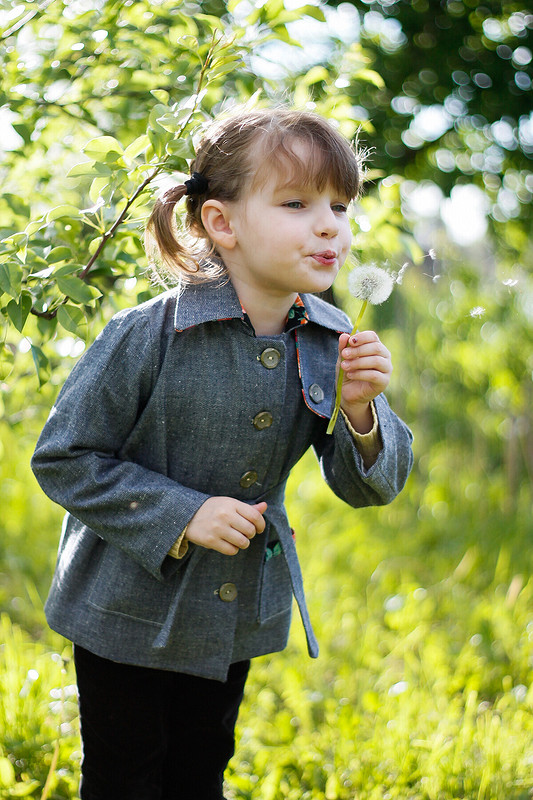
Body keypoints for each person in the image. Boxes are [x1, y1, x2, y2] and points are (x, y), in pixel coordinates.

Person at [31, 107, 413, 800]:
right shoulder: (150, 333)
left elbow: (370, 488)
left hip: (233, 607)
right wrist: (181, 514)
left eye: (339, 205)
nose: (328, 224)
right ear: (221, 224)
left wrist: (359, 410)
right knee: (125, 775)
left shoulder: (331, 341)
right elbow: (64, 456)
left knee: (200, 769)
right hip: (123, 610)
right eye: (296, 203)